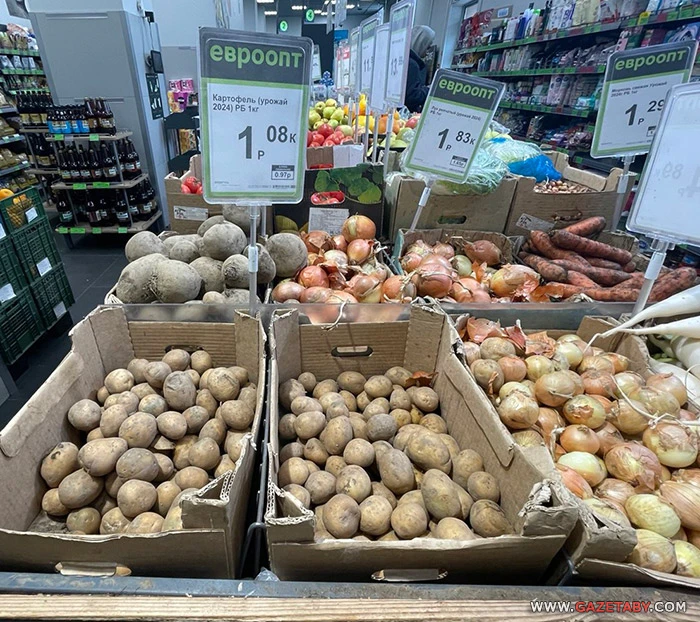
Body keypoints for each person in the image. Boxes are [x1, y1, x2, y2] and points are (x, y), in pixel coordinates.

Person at [405, 25, 435, 113]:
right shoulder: (412, 65)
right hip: (405, 113)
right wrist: (429, 90)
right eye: (427, 47)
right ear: (420, 44)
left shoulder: (402, 60)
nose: (427, 52)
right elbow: (412, 96)